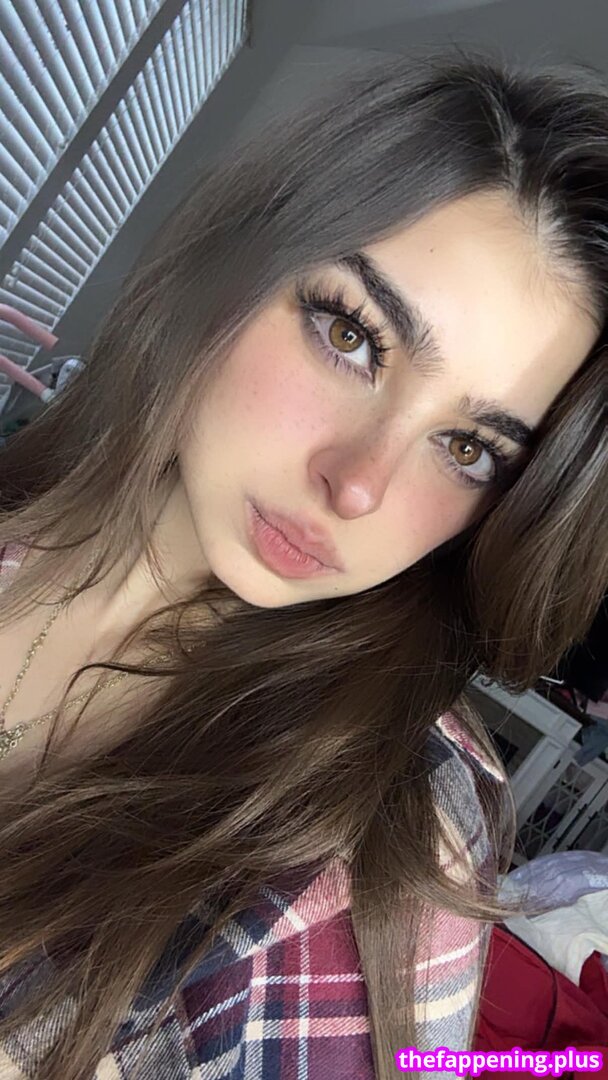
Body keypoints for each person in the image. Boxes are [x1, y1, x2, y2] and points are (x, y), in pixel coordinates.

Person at [0, 44, 606, 1080]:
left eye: (469, 448)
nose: (358, 486)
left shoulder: (376, 868)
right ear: (238, 263)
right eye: (351, 336)